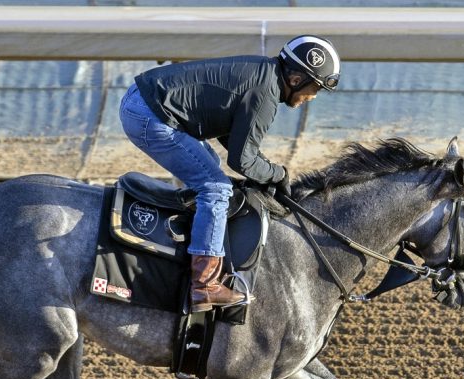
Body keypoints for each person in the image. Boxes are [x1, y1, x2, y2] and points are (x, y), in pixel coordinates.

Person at [119, 35, 341, 312]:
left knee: (209, 166)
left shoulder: (264, 76)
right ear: (296, 79)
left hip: (144, 102)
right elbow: (242, 160)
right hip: (149, 115)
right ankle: (205, 285)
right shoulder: (265, 94)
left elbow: (234, 140)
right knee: (215, 188)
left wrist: (266, 173)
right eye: (316, 87)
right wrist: (278, 174)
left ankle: (193, 239)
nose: (314, 96)